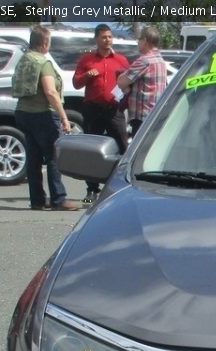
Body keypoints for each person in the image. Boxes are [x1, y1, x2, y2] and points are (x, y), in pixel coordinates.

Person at [12, 26, 79, 211]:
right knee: (52, 157)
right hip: (43, 114)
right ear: (44, 43)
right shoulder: (43, 62)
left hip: (23, 113)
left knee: (33, 158)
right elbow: (50, 91)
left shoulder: (23, 60)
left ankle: (37, 200)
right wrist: (64, 117)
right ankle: (59, 199)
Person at [72, 24, 129, 203]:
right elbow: (76, 83)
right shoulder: (87, 59)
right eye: (104, 37)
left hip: (114, 110)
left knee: (122, 146)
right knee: (92, 150)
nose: (107, 40)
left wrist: (124, 102)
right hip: (93, 109)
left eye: (110, 37)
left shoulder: (121, 60)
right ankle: (92, 190)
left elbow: (129, 83)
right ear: (96, 39)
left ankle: (121, 186)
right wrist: (88, 74)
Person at [116, 26, 168, 137]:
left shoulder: (145, 60)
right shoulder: (160, 60)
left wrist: (126, 84)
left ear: (144, 41)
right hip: (155, 114)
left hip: (142, 118)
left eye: (139, 39)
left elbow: (121, 82)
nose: (138, 42)